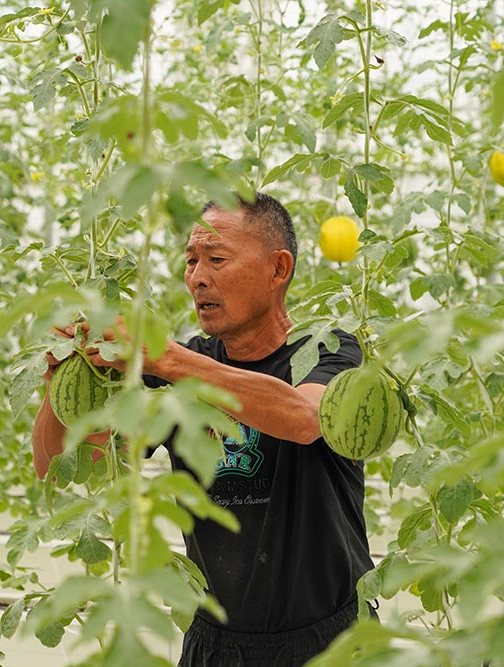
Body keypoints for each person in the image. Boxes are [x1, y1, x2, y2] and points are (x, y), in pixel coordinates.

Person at [32, 192, 375, 667]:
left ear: (279, 269)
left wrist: (166, 358)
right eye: (191, 260)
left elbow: (305, 419)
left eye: (216, 258)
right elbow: (61, 466)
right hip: (215, 647)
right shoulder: (178, 370)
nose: (197, 277)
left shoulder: (330, 351)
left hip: (331, 643)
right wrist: (63, 384)